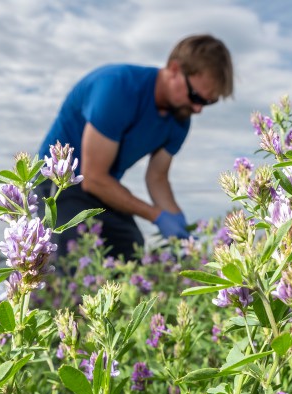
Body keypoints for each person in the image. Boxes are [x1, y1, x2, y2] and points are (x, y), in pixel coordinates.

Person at [36, 34, 234, 262]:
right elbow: (93, 178)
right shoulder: (118, 88)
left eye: (208, 102)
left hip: (101, 187)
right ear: (174, 69)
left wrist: (177, 219)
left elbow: (157, 177)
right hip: (58, 182)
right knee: (70, 262)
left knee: (133, 253)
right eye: (195, 96)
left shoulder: (180, 119)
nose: (199, 109)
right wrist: (157, 216)